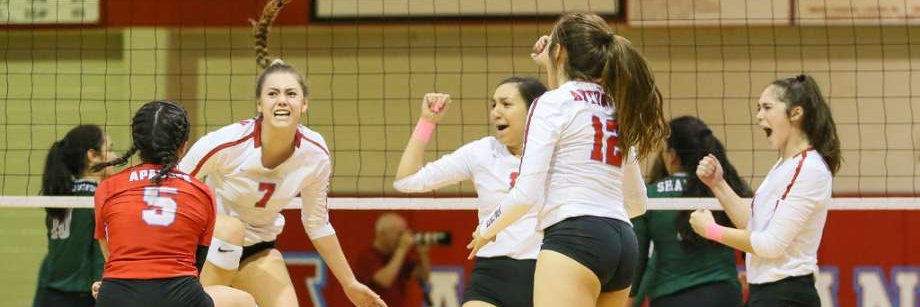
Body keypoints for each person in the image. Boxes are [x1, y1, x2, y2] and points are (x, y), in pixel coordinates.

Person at [176, 1, 384, 306]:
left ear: (304, 103)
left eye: (291, 94)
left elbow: (317, 223)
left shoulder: (315, 155)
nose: (282, 101)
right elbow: (173, 193)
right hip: (212, 245)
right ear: (259, 104)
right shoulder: (227, 143)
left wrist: (349, 282)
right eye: (272, 94)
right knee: (229, 233)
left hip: (259, 248)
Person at [467, 12, 668, 307]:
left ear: (558, 51)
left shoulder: (550, 103)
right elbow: (638, 203)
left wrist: (487, 228)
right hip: (624, 243)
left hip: (575, 237)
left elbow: (525, 194)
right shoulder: (616, 105)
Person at [393, 77, 548, 307]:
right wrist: (427, 122)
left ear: (534, 111)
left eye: (506, 104)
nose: (495, 112)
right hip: (490, 274)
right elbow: (406, 181)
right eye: (493, 104)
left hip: (545, 272)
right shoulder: (482, 152)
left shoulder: (557, 154)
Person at [691, 74, 840, 307]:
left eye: (767, 107)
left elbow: (770, 245)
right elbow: (754, 224)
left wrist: (711, 230)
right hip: (767, 293)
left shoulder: (808, 168)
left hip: (786, 295)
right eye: (758, 108)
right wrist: (718, 184)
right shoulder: (785, 165)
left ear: (796, 113)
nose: (759, 115)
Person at [91, 100, 254, 307]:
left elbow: (110, 256)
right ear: (183, 146)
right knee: (244, 301)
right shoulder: (201, 191)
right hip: (178, 297)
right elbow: (196, 265)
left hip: (117, 297)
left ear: (137, 144)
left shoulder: (107, 188)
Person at [629, 116, 748, 307]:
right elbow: (753, 233)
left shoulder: (649, 195)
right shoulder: (723, 188)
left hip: (673, 297)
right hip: (724, 294)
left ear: (672, 155)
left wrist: (631, 299)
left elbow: (639, 256)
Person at [33, 125, 114, 307]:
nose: (115, 157)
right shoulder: (98, 198)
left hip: (51, 295)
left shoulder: (59, 193)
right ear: (92, 156)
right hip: (84, 296)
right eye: (110, 149)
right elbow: (100, 256)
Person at [355, 213, 431, 307]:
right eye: (399, 233)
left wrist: (423, 254)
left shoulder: (398, 256)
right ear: (382, 234)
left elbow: (423, 276)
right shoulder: (367, 256)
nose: (401, 238)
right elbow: (384, 281)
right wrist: (402, 249)